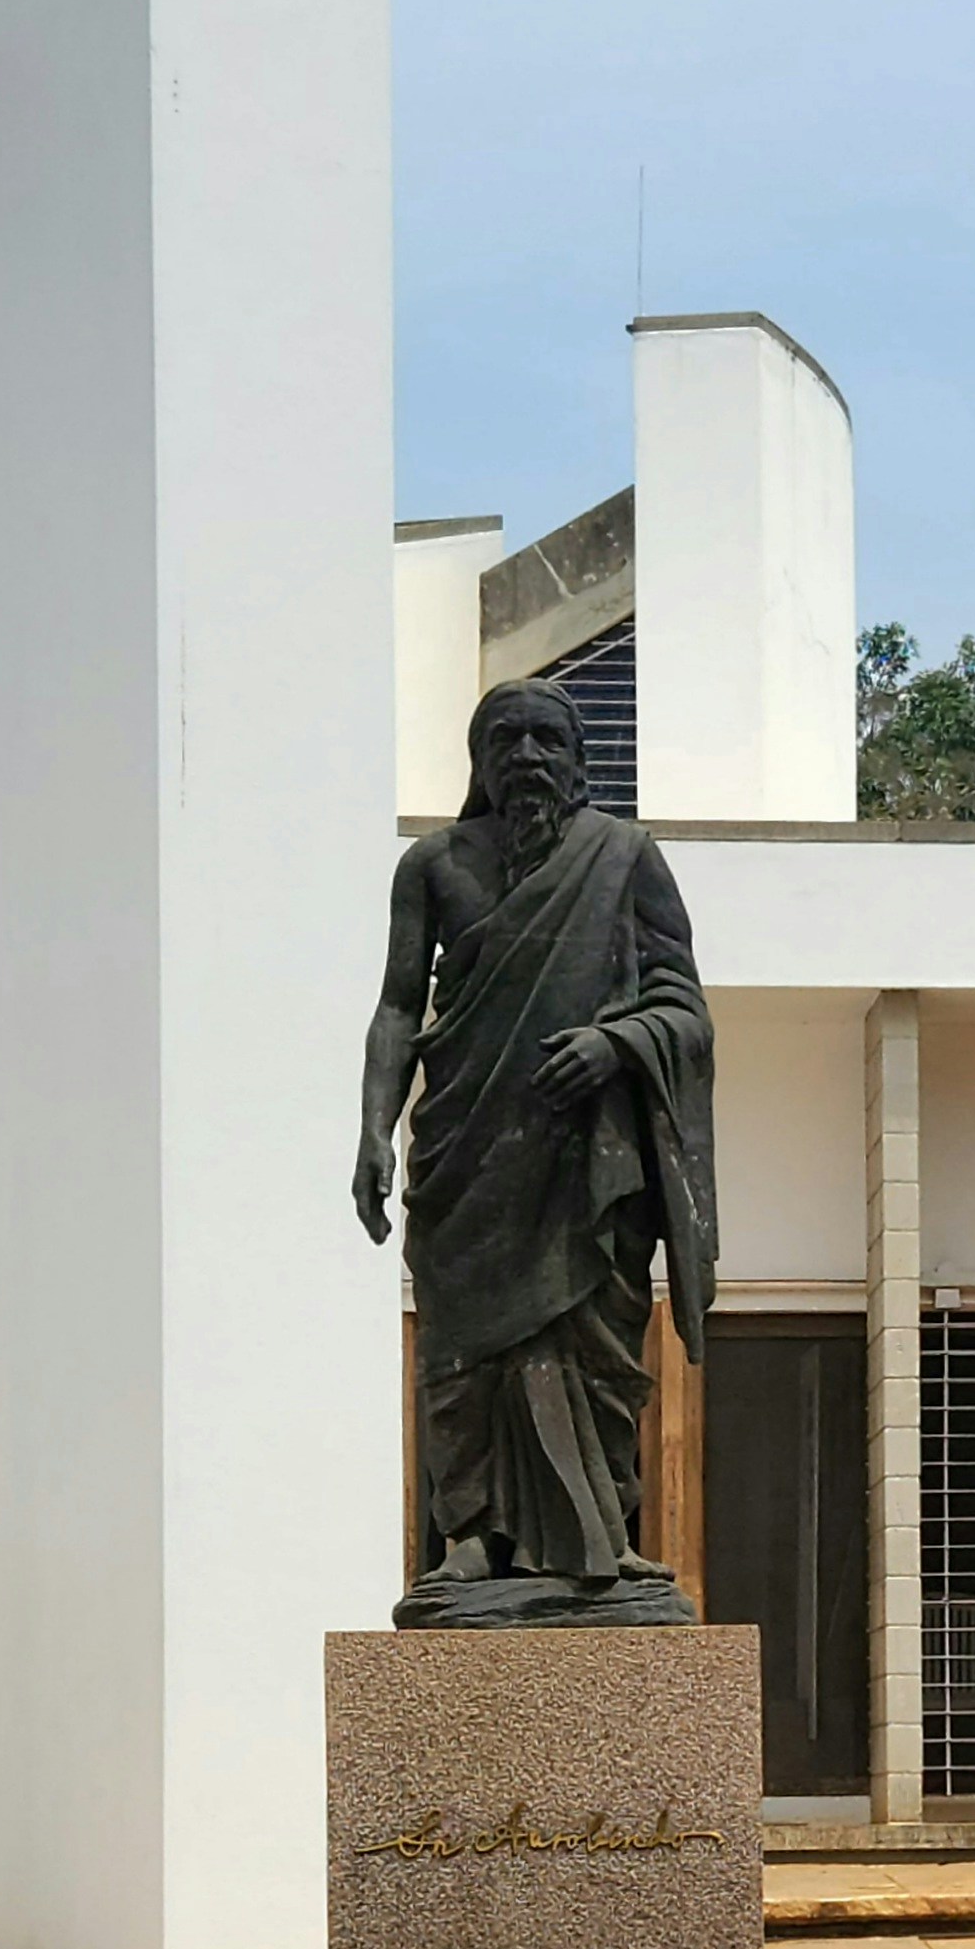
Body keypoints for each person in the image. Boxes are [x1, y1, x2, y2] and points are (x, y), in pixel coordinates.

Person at [356, 681, 718, 1622]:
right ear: (477, 760)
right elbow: (399, 1008)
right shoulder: (432, 866)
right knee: (462, 1346)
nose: (524, 754)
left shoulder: (624, 857)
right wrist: (372, 1131)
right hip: (466, 1150)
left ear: (577, 756)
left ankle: (601, 1540)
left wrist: (614, 1044)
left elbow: (684, 1004)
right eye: (503, 737)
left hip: (584, 1162)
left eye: (544, 737)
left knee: (591, 1339)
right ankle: (471, 1537)